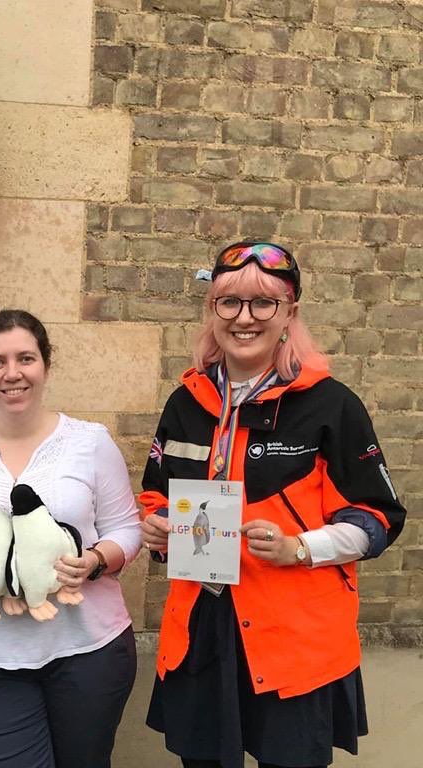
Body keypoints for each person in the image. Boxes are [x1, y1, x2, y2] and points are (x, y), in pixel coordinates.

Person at [140, 241, 406, 768]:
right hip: (203, 628)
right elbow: (158, 492)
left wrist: (300, 548)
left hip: (294, 635)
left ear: (290, 312)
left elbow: (378, 517)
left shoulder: (331, 404)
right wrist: (160, 526)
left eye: (263, 303)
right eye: (230, 302)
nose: (245, 318)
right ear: (212, 311)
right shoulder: (186, 402)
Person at [0, 309, 141, 768]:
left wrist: (96, 560)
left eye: (25, 358)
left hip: (90, 650)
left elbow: (127, 529)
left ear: (45, 364)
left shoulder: (90, 441)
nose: (12, 374)